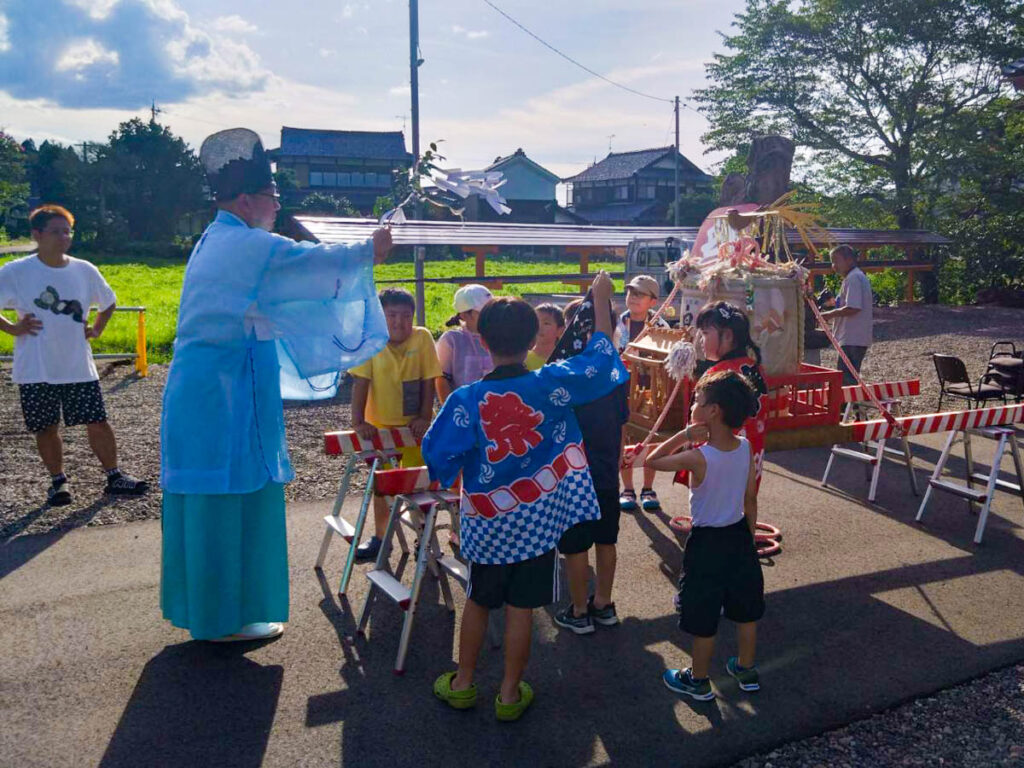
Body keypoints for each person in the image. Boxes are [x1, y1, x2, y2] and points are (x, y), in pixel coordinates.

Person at [160, 128, 392, 642]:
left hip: (216, 390)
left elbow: (286, 285)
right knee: (226, 496)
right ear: (247, 199)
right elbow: (309, 266)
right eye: (271, 197)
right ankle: (222, 622)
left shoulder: (220, 238)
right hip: (223, 397)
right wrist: (367, 251)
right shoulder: (246, 243)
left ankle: (219, 613)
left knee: (227, 495)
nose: (276, 205)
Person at [423, 273, 626, 722]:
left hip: (486, 522)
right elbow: (601, 358)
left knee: (479, 600)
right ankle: (510, 695)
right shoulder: (549, 384)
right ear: (534, 338)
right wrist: (600, 300)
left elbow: (437, 455)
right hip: (538, 525)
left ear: (480, 336)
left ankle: (462, 683)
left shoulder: (466, 398)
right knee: (521, 609)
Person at [0, 205, 147, 506]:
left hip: (78, 365)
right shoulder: (16, 271)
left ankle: (115, 476)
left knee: (98, 421)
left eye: (67, 231)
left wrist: (96, 329)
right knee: (45, 426)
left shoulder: (84, 269)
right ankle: (58, 483)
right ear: (37, 235)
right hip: (37, 368)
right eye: (56, 231)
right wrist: (13, 328)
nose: (64, 237)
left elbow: (108, 302)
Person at [645, 369, 764, 701]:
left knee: (703, 611)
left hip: (707, 543)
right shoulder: (744, 447)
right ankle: (746, 668)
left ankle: (698, 680)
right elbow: (750, 500)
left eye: (698, 399)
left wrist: (683, 434)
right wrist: (750, 540)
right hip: (740, 536)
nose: (694, 402)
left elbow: (652, 459)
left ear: (713, 411)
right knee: (746, 607)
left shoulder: (699, 456)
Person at [551, 297, 630, 635]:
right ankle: (604, 603)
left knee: (575, 544)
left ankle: (580, 609)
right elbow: (623, 422)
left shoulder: (566, 374)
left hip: (574, 475)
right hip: (605, 470)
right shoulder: (617, 373)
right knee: (606, 540)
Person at [349, 288, 442, 560]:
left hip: (414, 429)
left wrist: (425, 416)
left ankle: (424, 538)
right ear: (381, 316)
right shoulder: (371, 340)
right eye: (391, 315)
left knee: (419, 483)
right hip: (381, 428)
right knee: (383, 485)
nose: (399, 322)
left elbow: (429, 379)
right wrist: (358, 422)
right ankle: (381, 538)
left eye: (405, 315)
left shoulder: (422, 337)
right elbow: (360, 382)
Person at [682, 301, 770, 490]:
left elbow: (697, 420)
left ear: (728, 336)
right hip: (751, 457)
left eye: (705, 333)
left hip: (718, 461)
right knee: (744, 509)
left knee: (713, 513)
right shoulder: (755, 368)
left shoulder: (717, 374)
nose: (700, 340)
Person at [616, 274, 669, 512]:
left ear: (653, 302)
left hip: (650, 390)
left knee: (650, 438)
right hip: (620, 387)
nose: (634, 297)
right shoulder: (616, 323)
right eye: (631, 292)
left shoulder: (662, 328)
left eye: (640, 294)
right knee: (623, 437)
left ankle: (648, 487)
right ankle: (627, 487)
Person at [819, 245, 873, 385]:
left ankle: (846, 406)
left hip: (853, 337)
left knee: (846, 378)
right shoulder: (853, 277)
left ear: (849, 260)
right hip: (852, 337)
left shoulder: (853, 278)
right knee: (847, 375)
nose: (834, 265)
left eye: (836, 261)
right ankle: (849, 405)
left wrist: (828, 314)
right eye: (832, 261)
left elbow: (853, 307)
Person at [435, 283, 493, 403]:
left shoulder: (499, 336)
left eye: (491, 311)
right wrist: (450, 411)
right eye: (482, 313)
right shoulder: (451, 340)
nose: (490, 317)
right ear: (464, 315)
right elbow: (442, 378)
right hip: (463, 409)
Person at [525, 303, 564, 371]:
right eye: (536, 321)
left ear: (560, 330)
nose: (539, 327)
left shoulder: (564, 361)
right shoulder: (522, 359)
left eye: (546, 323)